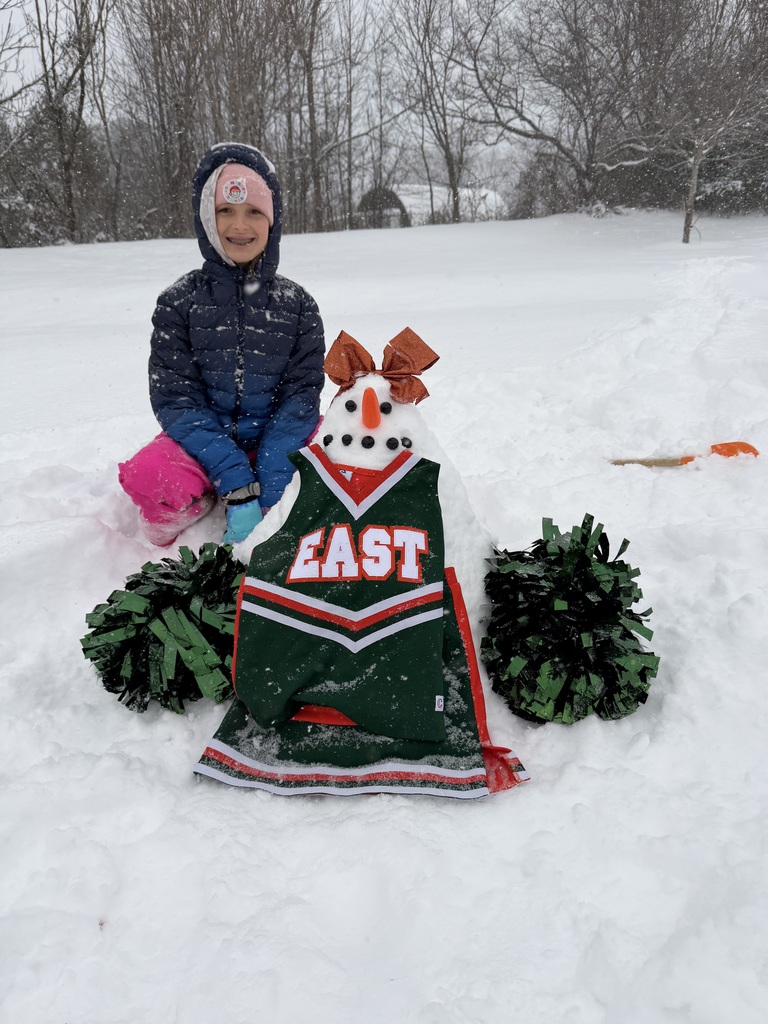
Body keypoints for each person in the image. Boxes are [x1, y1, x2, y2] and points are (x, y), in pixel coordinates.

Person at [118, 142, 325, 546]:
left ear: (272, 220)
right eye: (225, 211)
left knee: (348, 459)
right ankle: (202, 503)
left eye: (253, 212)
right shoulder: (178, 302)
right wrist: (234, 479)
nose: (239, 226)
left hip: (278, 443)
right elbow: (177, 401)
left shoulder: (299, 306)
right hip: (203, 444)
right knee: (150, 479)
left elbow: (301, 399)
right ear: (206, 220)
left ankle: (276, 494)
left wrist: (273, 478)